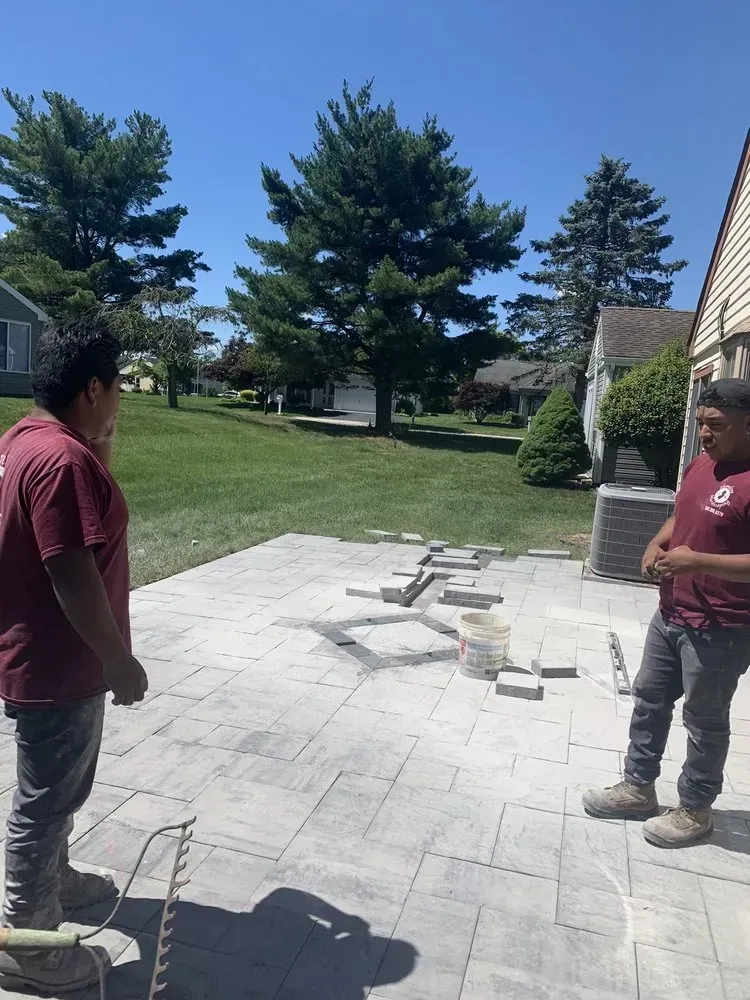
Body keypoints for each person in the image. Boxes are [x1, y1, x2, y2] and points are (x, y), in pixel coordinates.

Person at [0, 317, 148, 993]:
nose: (120, 400)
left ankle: (54, 880)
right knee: (45, 803)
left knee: (58, 791)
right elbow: (70, 569)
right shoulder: (61, 461)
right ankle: (27, 944)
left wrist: (102, 443)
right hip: (59, 662)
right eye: (117, 388)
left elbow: (85, 518)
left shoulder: (25, 441)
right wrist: (116, 658)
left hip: (41, 651)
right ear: (92, 388)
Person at [583, 377, 750, 848]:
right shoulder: (701, 464)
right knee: (650, 701)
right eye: (701, 423)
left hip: (722, 627)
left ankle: (696, 809)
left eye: (716, 425)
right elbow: (683, 514)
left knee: (704, 720)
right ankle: (637, 788)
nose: (704, 434)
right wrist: (656, 543)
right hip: (671, 612)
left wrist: (696, 561)